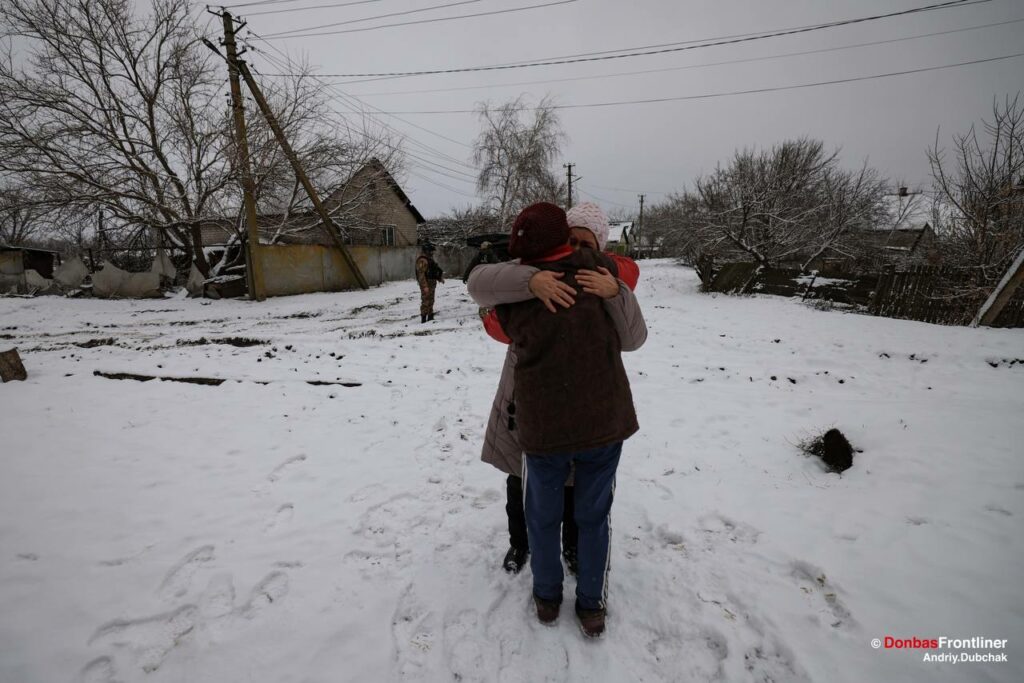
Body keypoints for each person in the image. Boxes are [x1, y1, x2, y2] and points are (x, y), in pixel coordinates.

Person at [490, 202, 644, 637]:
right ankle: (587, 603)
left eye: (586, 243)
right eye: (570, 240)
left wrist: (613, 290)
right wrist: (531, 278)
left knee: (552, 514)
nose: (577, 249)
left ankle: (550, 597)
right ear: (560, 240)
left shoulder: (599, 282)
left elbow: (484, 296)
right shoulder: (570, 279)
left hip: (547, 427)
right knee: (583, 514)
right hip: (596, 422)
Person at [415, 243, 443, 323]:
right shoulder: (422, 260)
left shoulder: (429, 258)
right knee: (425, 301)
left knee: (431, 300)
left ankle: (430, 317)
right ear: (427, 251)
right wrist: (425, 286)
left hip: (432, 283)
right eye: (431, 251)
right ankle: (423, 318)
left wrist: (439, 278)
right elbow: (421, 275)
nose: (432, 253)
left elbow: (433, 270)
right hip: (426, 283)